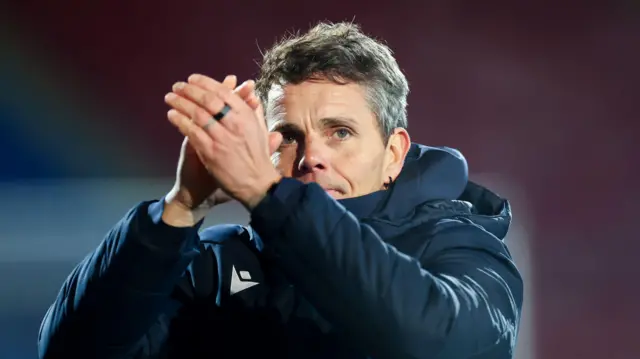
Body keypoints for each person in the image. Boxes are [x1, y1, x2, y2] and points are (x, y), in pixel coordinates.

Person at [38, 22, 523, 359]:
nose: (312, 155)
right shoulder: (217, 264)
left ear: (393, 153)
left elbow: (437, 340)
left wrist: (275, 201)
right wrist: (180, 209)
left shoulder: (460, 247)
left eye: (340, 132)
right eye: (288, 136)